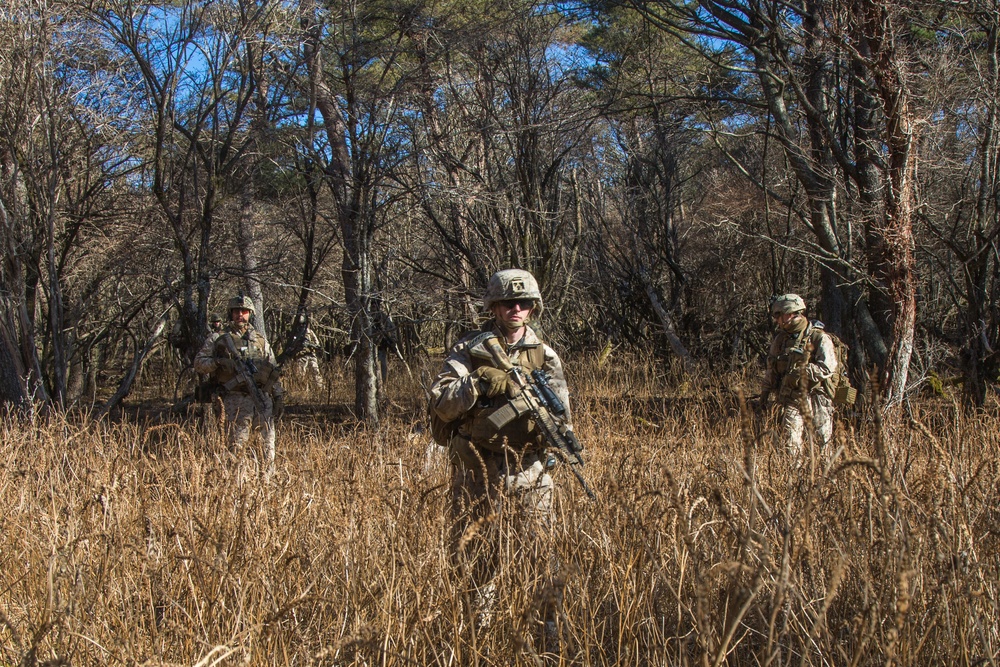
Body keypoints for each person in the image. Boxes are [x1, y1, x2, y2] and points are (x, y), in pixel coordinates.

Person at [428, 268, 575, 637]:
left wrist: (557, 450)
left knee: (542, 557)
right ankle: (476, 638)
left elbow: (562, 415)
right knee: (476, 560)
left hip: (529, 470)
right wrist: (477, 382)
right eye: (508, 302)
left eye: (524, 302)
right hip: (476, 468)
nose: (516, 308)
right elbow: (441, 404)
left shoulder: (546, 356)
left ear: (533, 308)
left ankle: (547, 636)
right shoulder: (469, 350)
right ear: (494, 306)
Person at [195, 295, 284, 472]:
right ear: (231, 313)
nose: (240, 315)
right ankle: (238, 487)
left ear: (250, 314)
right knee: (237, 446)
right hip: (234, 399)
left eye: (244, 311)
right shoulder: (218, 338)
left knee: (267, 445)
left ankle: (267, 484)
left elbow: (272, 370)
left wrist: (278, 395)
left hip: (261, 397)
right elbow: (199, 363)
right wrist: (218, 362)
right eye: (237, 311)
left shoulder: (259, 340)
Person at [760, 293, 838, 457]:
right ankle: (794, 480)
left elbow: (827, 367)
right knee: (790, 445)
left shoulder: (818, 337)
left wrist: (802, 371)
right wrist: (765, 393)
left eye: (779, 315)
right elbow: (771, 367)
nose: (777, 320)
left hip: (817, 398)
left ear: (790, 312)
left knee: (823, 444)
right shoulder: (780, 340)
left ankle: (827, 479)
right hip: (791, 398)